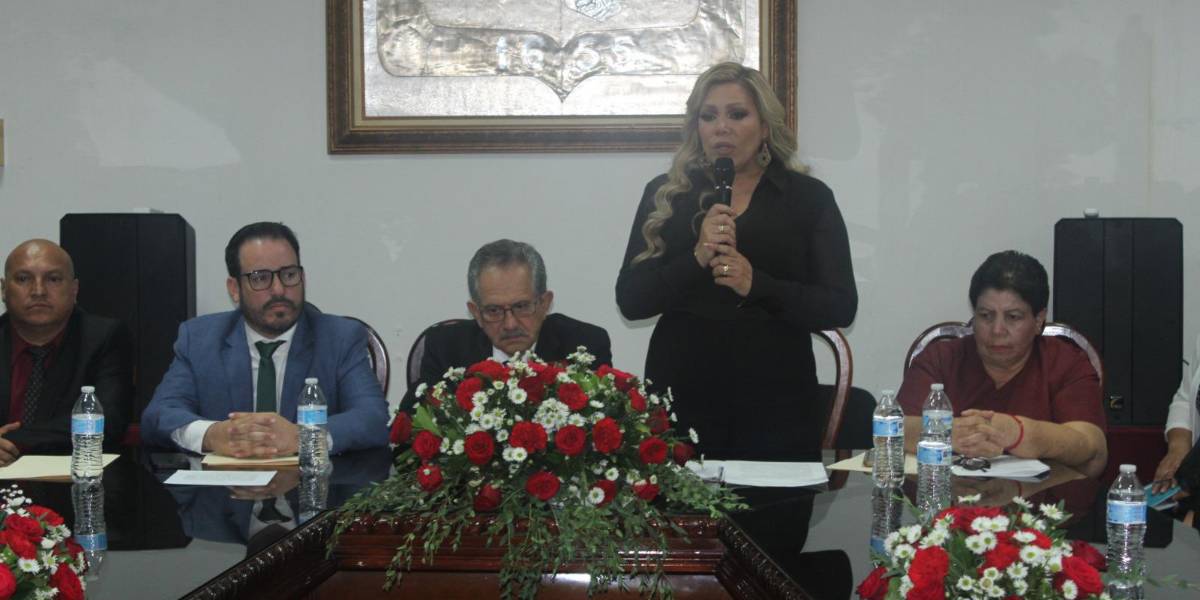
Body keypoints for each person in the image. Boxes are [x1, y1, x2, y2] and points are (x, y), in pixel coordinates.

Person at [615, 62, 858, 461]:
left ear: (765, 127)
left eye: (737, 114)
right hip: (682, 395)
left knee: (773, 503)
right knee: (681, 503)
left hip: (776, 401)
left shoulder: (807, 198)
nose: (721, 128)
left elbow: (840, 306)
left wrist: (756, 284)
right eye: (708, 116)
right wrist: (697, 256)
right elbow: (631, 300)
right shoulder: (666, 196)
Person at [141, 222, 388, 457]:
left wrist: (303, 437)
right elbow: (158, 415)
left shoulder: (340, 338)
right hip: (226, 485)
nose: (279, 289)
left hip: (311, 484)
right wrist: (213, 435)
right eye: (260, 278)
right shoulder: (199, 339)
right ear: (234, 289)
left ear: (303, 278)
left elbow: (373, 418)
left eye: (289, 274)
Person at [896, 250, 1108, 477]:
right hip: (950, 496)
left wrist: (1021, 434)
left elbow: (1093, 449)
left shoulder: (1065, 362)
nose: (997, 330)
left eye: (1013, 317)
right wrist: (946, 432)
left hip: (1042, 497)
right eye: (986, 316)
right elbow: (896, 428)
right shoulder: (941, 358)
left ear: (1038, 320)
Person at [401, 239, 611, 411]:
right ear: (476, 313)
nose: (510, 324)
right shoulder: (446, 348)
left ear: (545, 304)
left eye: (522, 306)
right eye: (494, 311)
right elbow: (409, 431)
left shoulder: (585, 344)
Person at [0, 239, 133, 463]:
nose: (38, 291)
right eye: (23, 279)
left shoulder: (104, 338)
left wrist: (12, 440)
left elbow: (107, 422)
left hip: (73, 474)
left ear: (74, 289)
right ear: (4, 290)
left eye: (53, 279)